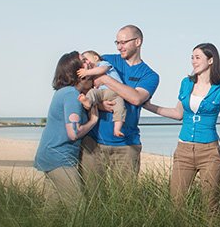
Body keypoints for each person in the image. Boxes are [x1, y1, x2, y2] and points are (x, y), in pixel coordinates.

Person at [143, 43, 220, 213]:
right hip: (183, 150)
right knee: (176, 202)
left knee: (210, 204)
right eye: (192, 57)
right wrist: (148, 106)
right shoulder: (186, 83)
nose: (193, 61)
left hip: (209, 151)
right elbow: (178, 113)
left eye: (197, 57)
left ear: (211, 60)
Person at [80, 25, 160, 183]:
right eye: (117, 42)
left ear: (138, 42)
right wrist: (101, 105)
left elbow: (136, 98)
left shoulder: (150, 75)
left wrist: (105, 79)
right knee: (91, 196)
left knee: (124, 199)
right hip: (94, 142)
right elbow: (85, 87)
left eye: (123, 42)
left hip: (127, 146)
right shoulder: (107, 60)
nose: (119, 47)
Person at [33, 51, 99, 207]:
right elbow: (73, 133)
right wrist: (93, 121)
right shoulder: (70, 94)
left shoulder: (63, 92)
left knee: (52, 210)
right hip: (59, 158)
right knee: (78, 208)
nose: (88, 63)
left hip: (50, 155)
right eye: (83, 61)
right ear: (75, 71)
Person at [77, 50, 126, 138]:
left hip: (116, 92)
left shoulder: (103, 64)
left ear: (95, 58)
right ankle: (88, 101)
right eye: (83, 61)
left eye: (86, 59)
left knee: (120, 108)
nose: (87, 62)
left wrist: (86, 72)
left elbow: (103, 69)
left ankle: (117, 128)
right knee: (92, 92)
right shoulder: (92, 73)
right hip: (102, 93)